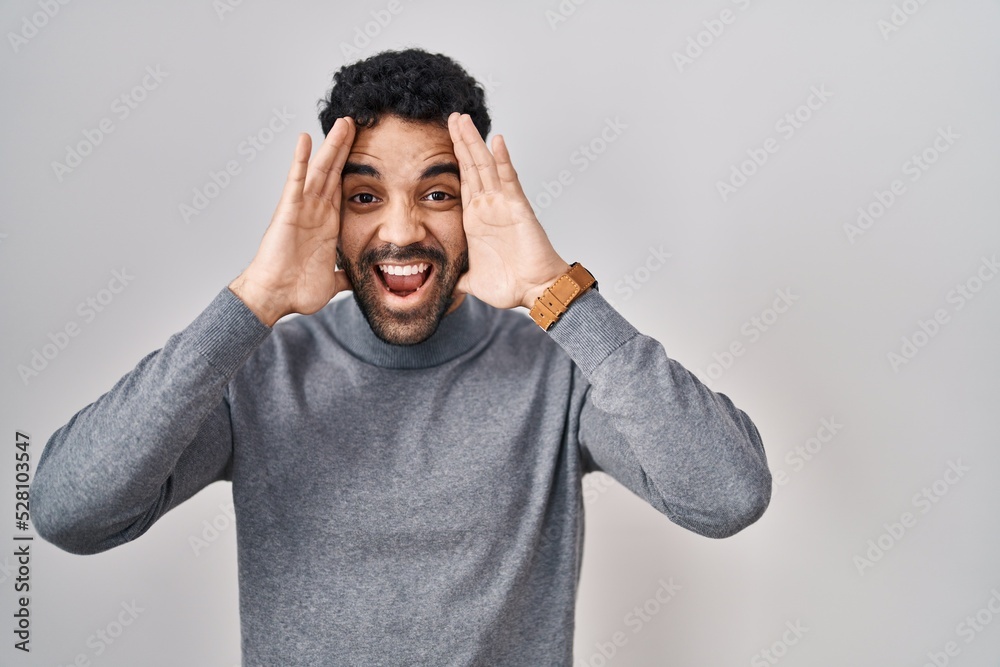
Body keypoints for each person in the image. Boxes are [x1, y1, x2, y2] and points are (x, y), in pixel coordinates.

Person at [33, 48, 772, 665]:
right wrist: (251, 302)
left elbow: (729, 493)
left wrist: (559, 293)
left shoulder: (557, 369)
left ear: (477, 204)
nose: (400, 230)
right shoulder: (258, 371)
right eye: (363, 197)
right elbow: (69, 510)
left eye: (438, 192)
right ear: (328, 213)